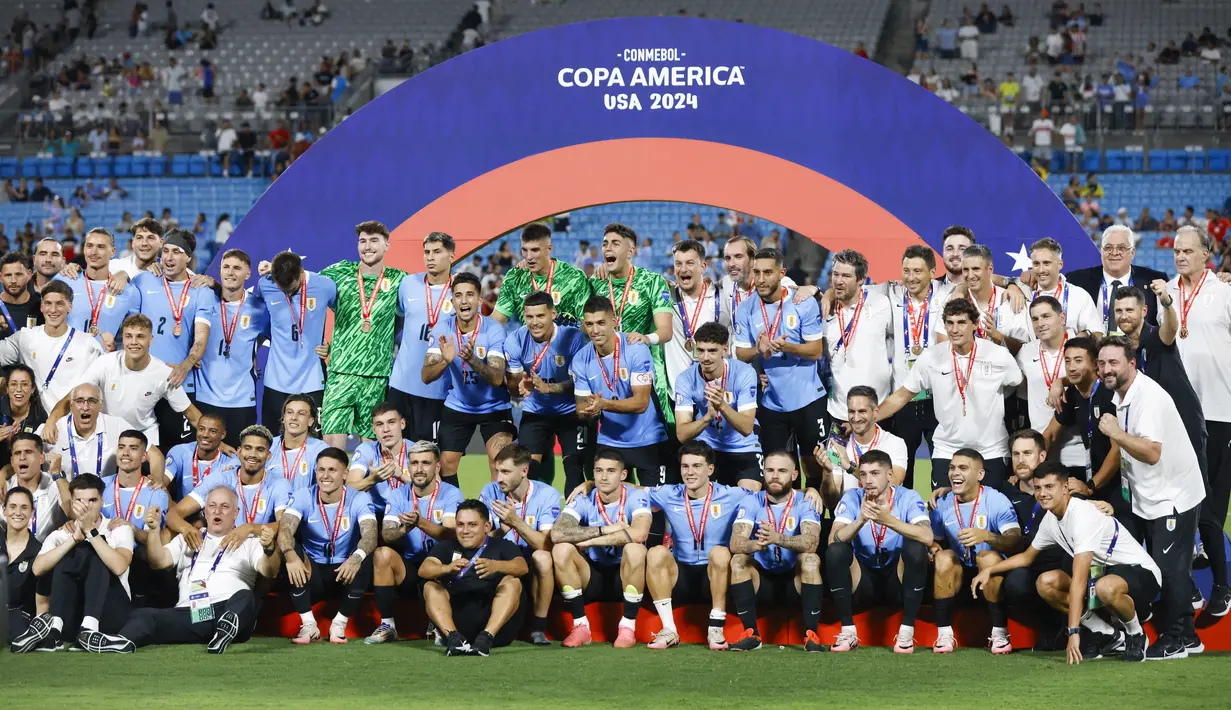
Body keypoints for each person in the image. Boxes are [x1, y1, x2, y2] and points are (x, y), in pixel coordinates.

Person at [972, 464, 1157, 664]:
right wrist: (989, 570)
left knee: (1104, 586)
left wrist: (1073, 633)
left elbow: (1078, 581)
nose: (1042, 493)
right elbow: (1027, 557)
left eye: (1049, 487)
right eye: (1038, 488)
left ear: (1065, 487)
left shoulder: (1082, 516)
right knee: (1046, 582)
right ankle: (1106, 633)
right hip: (1104, 578)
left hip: (1142, 574)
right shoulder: (1051, 519)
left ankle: (1135, 634)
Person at [1097, 336, 1205, 659]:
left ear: (1132, 363)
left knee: (1171, 569)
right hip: (1152, 495)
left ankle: (1176, 638)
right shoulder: (1125, 394)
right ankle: (1187, 635)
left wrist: (1115, 433)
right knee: (1168, 568)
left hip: (1172, 496)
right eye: (1102, 363)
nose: (1106, 369)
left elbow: (1153, 453)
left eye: (1113, 362)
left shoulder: (1148, 397)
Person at [82, 486, 282, 653]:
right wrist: (153, 531)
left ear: (236, 512)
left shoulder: (249, 542)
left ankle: (225, 629)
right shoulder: (189, 538)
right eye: (212, 506)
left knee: (245, 597)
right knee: (144, 614)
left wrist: (270, 549)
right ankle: (122, 642)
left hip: (229, 609)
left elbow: (269, 570)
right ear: (205, 511)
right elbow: (158, 562)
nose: (217, 511)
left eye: (224, 507)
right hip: (193, 614)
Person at [876, 299, 1023, 490]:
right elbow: (901, 396)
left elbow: (1016, 383)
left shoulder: (997, 356)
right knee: (943, 513)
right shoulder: (931, 358)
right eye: (950, 323)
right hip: (948, 449)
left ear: (975, 324)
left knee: (989, 513)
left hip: (991, 449)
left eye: (961, 322)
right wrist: (869, 418)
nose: (955, 329)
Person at [1165, 226, 1231, 621]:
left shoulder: (1225, 292)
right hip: (1176, 415)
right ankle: (1186, 586)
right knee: (1176, 502)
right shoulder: (1166, 293)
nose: (1181, 257)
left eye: (1188, 251)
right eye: (1176, 251)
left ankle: (1222, 589)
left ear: (1207, 253)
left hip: (1221, 412)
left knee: (1210, 508)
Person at [734, 248, 827, 487]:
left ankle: (821, 519)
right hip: (772, 403)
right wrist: (759, 350)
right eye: (757, 272)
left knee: (814, 464)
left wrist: (785, 347)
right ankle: (786, 520)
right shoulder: (745, 308)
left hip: (808, 399)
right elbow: (740, 353)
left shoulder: (802, 302)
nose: (761, 279)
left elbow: (815, 350)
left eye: (768, 272)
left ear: (781, 273)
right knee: (778, 468)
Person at [12, 474, 134, 653]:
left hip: (110, 612)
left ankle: (88, 629)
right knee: (64, 552)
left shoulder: (118, 528)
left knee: (91, 549)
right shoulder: (61, 533)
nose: (86, 506)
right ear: (71, 503)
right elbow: (37, 570)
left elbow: (119, 566)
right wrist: (73, 539)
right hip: (72, 615)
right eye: (79, 501)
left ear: (102, 501)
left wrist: (91, 532)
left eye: (92, 500)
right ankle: (54, 631)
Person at [644, 441, 748, 650]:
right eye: (685, 466)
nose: (689, 472)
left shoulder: (732, 495)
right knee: (656, 553)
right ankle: (669, 629)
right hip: (680, 577)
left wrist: (810, 489)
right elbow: (631, 491)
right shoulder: (669, 493)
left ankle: (715, 627)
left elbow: (771, 497)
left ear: (710, 469)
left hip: (715, 576)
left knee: (720, 552)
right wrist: (590, 484)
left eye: (696, 466)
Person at [826, 450, 931, 653]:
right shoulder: (852, 497)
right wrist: (861, 520)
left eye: (875, 473)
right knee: (836, 551)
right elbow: (833, 540)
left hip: (897, 580)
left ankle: (906, 632)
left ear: (889, 475)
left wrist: (887, 520)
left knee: (916, 547)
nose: (868, 480)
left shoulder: (907, 497)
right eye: (863, 474)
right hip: (863, 580)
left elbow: (927, 536)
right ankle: (848, 631)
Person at [48, 314, 202, 448]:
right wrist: (51, 421)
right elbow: (74, 395)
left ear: (151, 340)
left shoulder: (163, 373)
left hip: (144, 438)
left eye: (140, 336)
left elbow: (192, 414)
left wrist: (218, 442)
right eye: (129, 336)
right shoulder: (104, 363)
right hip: (107, 435)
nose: (133, 342)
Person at [318, 221, 408, 447]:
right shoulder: (339, 272)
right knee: (331, 448)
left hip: (376, 377)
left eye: (374, 241)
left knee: (370, 451)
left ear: (387, 245)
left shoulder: (400, 280)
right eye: (362, 241)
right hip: (340, 373)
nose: (367, 246)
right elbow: (306, 291)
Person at [550, 448, 651, 648]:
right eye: (598, 471)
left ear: (623, 475)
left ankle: (627, 627)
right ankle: (580, 626)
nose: (603, 477)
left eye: (611, 471)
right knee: (560, 549)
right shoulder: (584, 497)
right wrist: (604, 530)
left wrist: (590, 541)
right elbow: (557, 533)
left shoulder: (636, 497)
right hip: (592, 575)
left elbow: (639, 533)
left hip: (627, 574)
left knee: (635, 549)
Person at [365, 440, 463, 644]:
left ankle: (438, 623)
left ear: (437, 467)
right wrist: (406, 528)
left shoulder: (450, 493)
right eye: (414, 463)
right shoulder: (399, 494)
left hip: (440, 569)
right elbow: (388, 534)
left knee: (450, 558)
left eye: (426, 463)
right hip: (411, 569)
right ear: (408, 466)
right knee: (382, 554)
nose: (419, 469)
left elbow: (451, 534)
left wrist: (421, 522)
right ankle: (387, 625)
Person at [422, 272, 515, 486]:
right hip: (459, 405)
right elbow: (426, 376)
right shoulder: (443, 328)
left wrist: (472, 359)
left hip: (494, 406)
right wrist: (445, 360)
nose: (464, 301)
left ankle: (495, 514)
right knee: (445, 463)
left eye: (470, 295)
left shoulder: (493, 329)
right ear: (452, 301)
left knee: (500, 462)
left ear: (479, 300)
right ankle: (455, 514)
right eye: (459, 295)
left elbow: (497, 377)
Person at [278, 446, 377, 644]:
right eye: (321, 470)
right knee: (290, 549)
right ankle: (309, 625)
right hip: (312, 573)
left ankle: (339, 624)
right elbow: (285, 529)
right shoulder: (304, 496)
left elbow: (371, 534)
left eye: (332, 470)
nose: (325, 476)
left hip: (344, 572)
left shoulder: (359, 498)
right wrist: (290, 555)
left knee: (364, 554)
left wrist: (356, 557)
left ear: (345, 474)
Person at [727, 451, 824, 652]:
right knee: (738, 559)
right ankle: (751, 633)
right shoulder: (752, 501)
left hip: (794, 581)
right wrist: (757, 545)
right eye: (770, 470)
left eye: (782, 471)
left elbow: (811, 543)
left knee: (811, 559)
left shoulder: (806, 501)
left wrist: (777, 539)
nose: (775, 476)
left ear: (795, 475)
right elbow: (735, 543)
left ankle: (811, 634)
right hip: (762, 580)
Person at [929, 449, 1023, 654]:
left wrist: (987, 536)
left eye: (963, 468)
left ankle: (999, 632)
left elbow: (1016, 542)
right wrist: (933, 549)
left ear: (980, 474)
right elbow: (934, 541)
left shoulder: (996, 500)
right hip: (958, 578)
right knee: (944, 557)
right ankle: (944, 633)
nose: (955, 473)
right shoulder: (942, 504)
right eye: (952, 468)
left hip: (992, 580)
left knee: (986, 556)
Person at [572, 295, 671, 487]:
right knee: (609, 504)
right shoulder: (580, 359)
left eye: (601, 323)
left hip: (648, 438)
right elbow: (581, 408)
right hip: (611, 441)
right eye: (589, 324)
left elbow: (641, 403)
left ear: (614, 321)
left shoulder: (635, 350)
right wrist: (589, 411)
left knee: (654, 508)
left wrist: (604, 405)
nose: (595, 330)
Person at [131, 229, 214, 449]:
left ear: (188, 257)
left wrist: (184, 366)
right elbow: (130, 329)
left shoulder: (201, 290)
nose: (168, 257)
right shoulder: (143, 281)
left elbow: (201, 338)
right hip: (143, 382)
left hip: (179, 384)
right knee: (141, 452)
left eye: (176, 252)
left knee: (178, 451)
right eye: (165, 251)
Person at [589, 223, 675, 427]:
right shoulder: (595, 283)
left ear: (631, 251)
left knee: (663, 437)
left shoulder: (652, 282)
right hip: (606, 370)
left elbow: (665, 330)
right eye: (605, 244)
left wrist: (646, 338)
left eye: (615, 244)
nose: (608, 248)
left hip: (646, 370)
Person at [420, 499, 528, 656]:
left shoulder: (502, 546)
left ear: (486, 527)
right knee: (430, 586)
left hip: (495, 627)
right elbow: (424, 569)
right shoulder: (447, 546)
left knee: (513, 582)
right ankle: (454, 640)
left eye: (472, 525)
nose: (465, 530)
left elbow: (522, 566)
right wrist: (446, 568)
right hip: (457, 622)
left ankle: (485, 639)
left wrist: (497, 566)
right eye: (460, 524)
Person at [504, 290, 588, 490]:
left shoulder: (572, 337)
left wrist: (548, 388)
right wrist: (520, 386)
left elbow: (579, 383)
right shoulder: (515, 340)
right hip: (536, 412)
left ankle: (572, 519)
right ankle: (531, 517)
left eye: (541, 316)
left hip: (569, 412)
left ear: (553, 314)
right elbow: (515, 388)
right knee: (527, 470)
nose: (535, 322)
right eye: (529, 317)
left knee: (574, 469)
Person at [478, 444, 560, 646]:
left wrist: (515, 522)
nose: (499, 479)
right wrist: (502, 531)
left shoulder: (547, 495)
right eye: (497, 471)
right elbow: (478, 542)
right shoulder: (490, 492)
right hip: (501, 562)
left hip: (531, 561)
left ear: (524, 471)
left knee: (543, 558)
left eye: (505, 472)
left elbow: (546, 546)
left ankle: (539, 627)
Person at [883, 245, 948, 488]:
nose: (911, 277)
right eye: (906, 270)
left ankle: (939, 521)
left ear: (933, 273)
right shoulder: (891, 293)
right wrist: (818, 291)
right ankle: (903, 522)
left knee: (941, 467)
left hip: (937, 398)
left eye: (918, 271)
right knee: (902, 467)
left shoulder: (947, 293)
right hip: (904, 398)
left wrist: (1013, 283)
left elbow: (976, 279)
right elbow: (857, 289)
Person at [164, 425, 290, 549]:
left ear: (268, 455)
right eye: (248, 448)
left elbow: (285, 525)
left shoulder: (279, 483)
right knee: (166, 534)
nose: (253, 454)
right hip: (222, 547)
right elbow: (173, 514)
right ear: (239, 452)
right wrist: (187, 529)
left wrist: (250, 528)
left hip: (259, 549)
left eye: (260, 450)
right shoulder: (220, 478)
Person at [673, 322, 760, 490]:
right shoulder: (685, 379)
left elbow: (747, 427)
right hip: (707, 447)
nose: (705, 358)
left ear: (725, 349)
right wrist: (708, 417)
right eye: (701, 350)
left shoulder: (744, 373)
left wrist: (722, 406)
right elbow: (682, 435)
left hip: (742, 446)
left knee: (748, 499)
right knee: (699, 497)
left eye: (712, 351)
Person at [1044, 337, 1125, 519]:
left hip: (1121, 481)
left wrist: (1090, 486)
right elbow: (1049, 434)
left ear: (1096, 365)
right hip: (1094, 478)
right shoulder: (1072, 393)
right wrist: (1031, 469)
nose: (1071, 367)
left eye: (1078, 360)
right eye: (1067, 361)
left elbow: (1117, 451)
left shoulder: (1108, 393)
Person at [195, 250, 269, 445]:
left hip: (242, 400)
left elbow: (280, 336)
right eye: (226, 267)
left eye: (237, 268)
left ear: (248, 273)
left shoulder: (259, 308)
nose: (230, 272)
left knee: (239, 461)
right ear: (219, 271)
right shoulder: (205, 298)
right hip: (205, 396)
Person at [256, 251, 336, 430]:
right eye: (282, 289)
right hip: (275, 380)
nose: (288, 293)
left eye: (291, 289)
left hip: (312, 379)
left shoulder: (325, 286)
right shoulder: (265, 285)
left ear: (301, 273)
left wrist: (332, 345)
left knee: (313, 443)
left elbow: (346, 317)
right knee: (273, 441)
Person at [0, 280, 105, 414]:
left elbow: (103, 381)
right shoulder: (25, 338)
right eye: (48, 304)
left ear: (70, 307)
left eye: (59, 304)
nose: (53, 310)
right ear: (42, 307)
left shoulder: (87, 343)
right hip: (36, 425)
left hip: (72, 423)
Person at [387, 232, 454, 442]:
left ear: (451, 255)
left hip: (437, 388)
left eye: (437, 252)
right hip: (401, 385)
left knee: (428, 457)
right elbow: (393, 319)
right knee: (395, 452)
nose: (430, 257)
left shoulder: (459, 291)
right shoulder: (408, 284)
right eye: (426, 252)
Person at [1015, 296, 1087, 475]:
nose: (1040, 323)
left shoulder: (1079, 346)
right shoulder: (1026, 353)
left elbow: (1093, 375)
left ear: (1061, 318)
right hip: (1042, 448)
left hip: (1077, 450)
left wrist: (1061, 381)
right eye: (1035, 319)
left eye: (1046, 316)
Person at [100, 430, 170, 605]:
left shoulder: (156, 492)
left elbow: (153, 540)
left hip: (137, 563)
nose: (125, 453)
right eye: (121, 447)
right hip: (103, 553)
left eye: (133, 448)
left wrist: (131, 528)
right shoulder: (101, 485)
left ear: (144, 456)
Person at [824, 250, 894, 425]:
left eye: (846, 276)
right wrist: (823, 293)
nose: (838, 281)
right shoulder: (823, 310)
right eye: (836, 274)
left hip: (878, 411)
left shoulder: (881, 303)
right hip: (839, 411)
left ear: (861, 279)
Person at [815, 386, 909, 506]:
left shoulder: (894, 443)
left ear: (875, 412)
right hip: (850, 517)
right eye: (851, 412)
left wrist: (850, 467)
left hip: (883, 517)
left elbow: (893, 483)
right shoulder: (837, 445)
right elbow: (831, 503)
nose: (856, 418)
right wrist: (827, 473)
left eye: (862, 411)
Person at [1063, 225, 1167, 332]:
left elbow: (1166, 327)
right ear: (1101, 251)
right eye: (1108, 248)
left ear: (1132, 253)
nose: (1114, 253)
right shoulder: (1076, 280)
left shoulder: (1153, 280)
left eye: (1121, 248)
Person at [492, 223, 592, 326]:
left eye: (535, 250)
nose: (529, 257)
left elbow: (588, 324)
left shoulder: (574, 277)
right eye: (524, 250)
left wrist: (569, 331)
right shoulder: (515, 277)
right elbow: (497, 320)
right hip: (529, 341)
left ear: (549, 249)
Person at [55, 228, 138, 350]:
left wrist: (116, 348)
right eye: (89, 246)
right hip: (66, 362)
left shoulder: (129, 291)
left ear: (112, 252)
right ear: (84, 249)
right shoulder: (64, 280)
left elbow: (135, 335)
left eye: (101, 247)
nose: (93, 252)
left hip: (106, 365)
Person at [663, 240, 723, 392]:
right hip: (678, 397)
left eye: (689, 263)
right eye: (678, 264)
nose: (683, 269)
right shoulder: (665, 297)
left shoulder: (721, 296)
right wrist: (607, 269)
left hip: (716, 393)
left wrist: (789, 286)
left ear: (703, 267)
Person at [45, 383, 132, 480]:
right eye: (79, 401)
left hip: (104, 492)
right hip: (64, 493)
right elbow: (27, 449)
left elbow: (148, 450)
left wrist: (153, 471)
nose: (85, 407)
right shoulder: (55, 428)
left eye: (92, 401)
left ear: (101, 405)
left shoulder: (117, 425)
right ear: (71, 406)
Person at [1022, 238, 1103, 337]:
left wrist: (1084, 337)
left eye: (1046, 263)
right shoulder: (1023, 291)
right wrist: (1011, 286)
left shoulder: (1079, 296)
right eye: (1036, 264)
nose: (1041, 270)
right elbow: (999, 280)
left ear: (1060, 264)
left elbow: (1097, 333)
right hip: (1033, 351)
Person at [347, 402, 415, 511]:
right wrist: (372, 479)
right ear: (373, 429)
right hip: (376, 514)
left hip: (409, 512)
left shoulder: (416, 451)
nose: (386, 429)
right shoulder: (366, 450)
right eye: (379, 424)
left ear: (402, 424)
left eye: (391, 422)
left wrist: (401, 476)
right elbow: (349, 489)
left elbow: (432, 491)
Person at [163, 412, 239, 500]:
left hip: (215, 512)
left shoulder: (231, 461)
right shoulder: (180, 452)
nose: (205, 435)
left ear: (223, 434)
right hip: (182, 511)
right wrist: (175, 512)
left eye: (212, 431)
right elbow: (160, 484)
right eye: (201, 429)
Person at [265, 395, 328, 491]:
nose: (294, 417)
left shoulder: (321, 450)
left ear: (310, 421)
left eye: (301, 414)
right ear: (283, 418)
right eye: (290, 412)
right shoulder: (268, 445)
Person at [4, 486, 41, 645]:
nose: (18, 512)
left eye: (24, 507)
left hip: (19, 616)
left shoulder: (39, 551)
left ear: (32, 512)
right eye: (12, 507)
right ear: (4, 510)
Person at [0, 252, 42, 335]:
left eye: (18, 274)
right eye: (8, 275)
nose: (13, 281)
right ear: (1, 277)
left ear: (29, 275)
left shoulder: (42, 305)